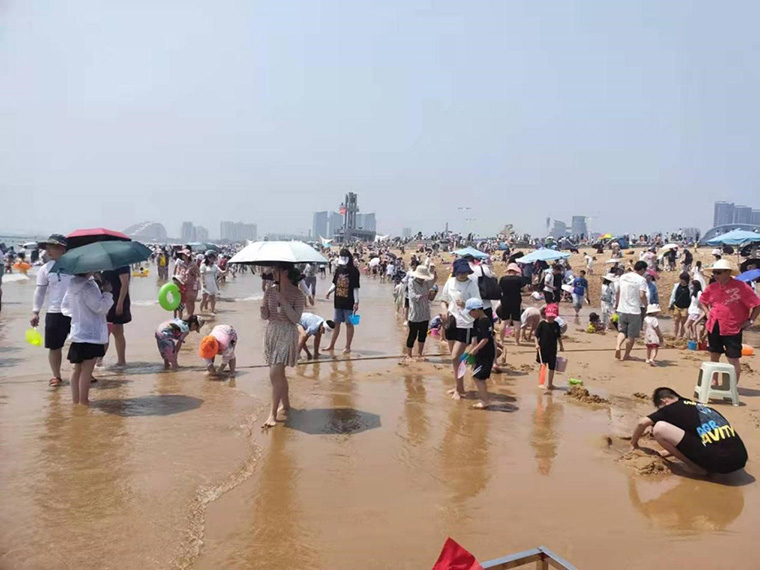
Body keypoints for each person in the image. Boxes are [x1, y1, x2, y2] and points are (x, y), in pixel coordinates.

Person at [630, 387, 748, 475]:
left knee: (659, 428)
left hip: (720, 461)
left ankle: (695, 467)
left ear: (664, 401)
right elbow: (695, 436)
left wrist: (633, 444)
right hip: (740, 458)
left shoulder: (670, 408)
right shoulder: (699, 407)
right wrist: (667, 452)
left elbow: (642, 423)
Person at [699, 260, 760, 384]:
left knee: (732, 358)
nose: (716, 275)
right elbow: (702, 300)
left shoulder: (742, 287)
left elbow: (757, 304)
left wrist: (750, 320)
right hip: (714, 325)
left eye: (719, 272)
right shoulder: (712, 287)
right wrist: (707, 312)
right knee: (714, 354)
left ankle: (732, 386)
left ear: (727, 272)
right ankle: (714, 381)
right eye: (714, 273)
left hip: (733, 327)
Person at [261, 263, 305, 428]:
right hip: (272, 331)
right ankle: (285, 404)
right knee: (279, 374)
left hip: (287, 332)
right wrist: (263, 305)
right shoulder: (270, 290)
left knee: (275, 372)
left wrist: (283, 301)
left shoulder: (298, 294)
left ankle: (272, 414)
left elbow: (295, 319)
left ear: (285, 272)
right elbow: (265, 316)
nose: (272, 272)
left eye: (276, 270)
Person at [61, 272, 114, 405]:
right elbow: (100, 308)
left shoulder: (72, 285)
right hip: (91, 334)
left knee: (76, 369)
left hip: (78, 332)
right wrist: (107, 293)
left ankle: (76, 401)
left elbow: (66, 308)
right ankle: (84, 400)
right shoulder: (89, 287)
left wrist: (80, 314)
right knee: (87, 370)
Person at [31, 235, 74, 387]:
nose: (48, 251)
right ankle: (56, 375)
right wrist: (35, 311)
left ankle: (83, 373)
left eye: (52, 247)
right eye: (47, 248)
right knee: (54, 346)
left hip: (76, 311)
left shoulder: (75, 266)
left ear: (63, 249)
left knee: (80, 343)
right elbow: (40, 291)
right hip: (55, 312)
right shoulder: (45, 268)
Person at [441, 258, 481, 399]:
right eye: (460, 272)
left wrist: (466, 305)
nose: (462, 275)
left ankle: (459, 390)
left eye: (465, 272)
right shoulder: (450, 282)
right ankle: (458, 386)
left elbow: (478, 305)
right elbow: (443, 300)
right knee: (455, 359)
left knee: (456, 357)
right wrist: (444, 310)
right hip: (452, 321)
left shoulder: (472, 284)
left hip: (466, 323)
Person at [325, 249, 360, 354]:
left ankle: (347, 346)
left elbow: (355, 288)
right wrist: (329, 291)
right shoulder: (338, 269)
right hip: (338, 300)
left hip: (349, 302)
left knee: (349, 324)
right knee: (336, 323)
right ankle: (331, 345)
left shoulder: (354, 271)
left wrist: (356, 302)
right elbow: (335, 284)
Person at [463, 298, 495, 409]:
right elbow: (475, 339)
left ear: (476, 310)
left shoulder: (484, 321)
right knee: (479, 377)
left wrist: (475, 350)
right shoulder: (477, 321)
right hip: (480, 354)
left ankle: (485, 401)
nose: (469, 314)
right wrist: (470, 354)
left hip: (486, 354)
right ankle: (484, 399)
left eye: (470, 311)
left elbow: (485, 339)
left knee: (477, 377)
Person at [614, 261, 648, 361]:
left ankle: (618, 346)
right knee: (631, 335)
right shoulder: (642, 280)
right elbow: (642, 295)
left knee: (622, 331)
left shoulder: (623, 276)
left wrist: (616, 304)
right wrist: (647, 306)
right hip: (634, 311)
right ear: (642, 269)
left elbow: (617, 292)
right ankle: (626, 355)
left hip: (622, 308)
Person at [100, 265, 131, 368]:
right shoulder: (106, 265)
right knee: (106, 331)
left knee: (116, 331)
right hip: (106, 300)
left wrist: (120, 303)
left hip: (117, 300)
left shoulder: (122, 265)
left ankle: (121, 361)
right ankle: (99, 360)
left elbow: (125, 284)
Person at [404, 265, 436, 360]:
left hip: (425, 314)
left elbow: (431, 298)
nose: (422, 279)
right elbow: (413, 297)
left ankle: (420, 354)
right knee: (412, 335)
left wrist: (433, 293)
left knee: (423, 336)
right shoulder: (411, 283)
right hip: (415, 314)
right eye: (421, 277)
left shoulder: (426, 283)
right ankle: (409, 355)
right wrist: (425, 294)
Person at [535, 303, 564, 390]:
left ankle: (550, 384)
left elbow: (558, 337)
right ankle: (541, 383)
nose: (551, 318)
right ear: (545, 314)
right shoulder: (542, 324)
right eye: (549, 316)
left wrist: (561, 346)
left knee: (552, 367)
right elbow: (536, 336)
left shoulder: (556, 325)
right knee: (543, 366)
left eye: (553, 316)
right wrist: (536, 344)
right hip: (543, 349)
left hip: (553, 349)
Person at [497, 263, 524, 345]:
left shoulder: (503, 279)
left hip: (505, 300)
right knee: (516, 321)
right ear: (515, 271)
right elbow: (525, 289)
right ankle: (516, 341)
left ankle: (502, 340)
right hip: (516, 300)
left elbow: (500, 289)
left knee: (504, 321)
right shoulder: (519, 279)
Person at [174, 248, 200, 318]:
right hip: (183, 284)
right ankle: (188, 315)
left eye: (184, 255)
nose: (183, 256)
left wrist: (193, 273)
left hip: (192, 285)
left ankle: (190, 315)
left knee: (191, 301)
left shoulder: (193, 264)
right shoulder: (181, 264)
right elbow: (178, 274)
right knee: (185, 301)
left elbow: (199, 274)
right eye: (182, 255)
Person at [668, 273, 691, 339]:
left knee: (683, 322)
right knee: (676, 321)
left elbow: (690, 297)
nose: (681, 281)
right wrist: (670, 304)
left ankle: (681, 335)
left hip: (685, 307)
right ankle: (675, 335)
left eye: (683, 279)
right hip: (677, 306)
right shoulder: (676, 286)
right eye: (681, 279)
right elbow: (673, 295)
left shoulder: (690, 287)